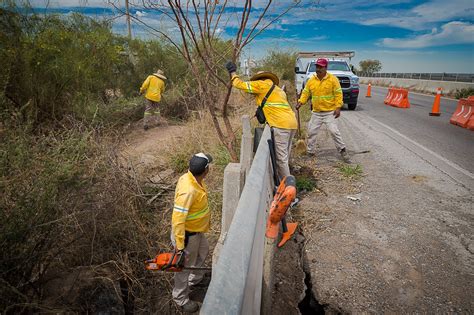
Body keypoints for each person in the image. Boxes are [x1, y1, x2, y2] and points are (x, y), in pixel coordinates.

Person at [225, 61, 297, 180]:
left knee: (281, 159)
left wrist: (233, 73)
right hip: (292, 123)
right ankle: (286, 182)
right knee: (285, 156)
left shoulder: (261, 85)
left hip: (280, 125)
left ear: (260, 79)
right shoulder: (278, 90)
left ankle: (288, 188)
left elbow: (239, 84)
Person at [171, 153, 213, 313]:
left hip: (197, 231)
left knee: (203, 251)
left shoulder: (193, 179)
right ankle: (180, 298)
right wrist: (180, 246)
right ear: (206, 170)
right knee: (183, 267)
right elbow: (178, 219)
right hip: (187, 236)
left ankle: (195, 280)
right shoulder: (188, 191)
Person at [296, 58, 348, 160]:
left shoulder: (333, 80)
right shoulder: (311, 80)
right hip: (316, 112)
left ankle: (342, 150)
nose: (318, 69)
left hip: (330, 112)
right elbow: (306, 93)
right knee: (311, 132)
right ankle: (310, 152)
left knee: (334, 131)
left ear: (325, 68)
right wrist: (300, 102)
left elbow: (338, 94)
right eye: (317, 66)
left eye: (321, 67)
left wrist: (338, 107)